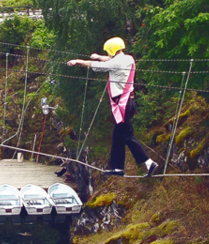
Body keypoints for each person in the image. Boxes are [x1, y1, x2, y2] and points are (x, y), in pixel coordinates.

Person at [66, 37, 159, 177]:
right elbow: (111, 60)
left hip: (122, 104)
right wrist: (99, 56)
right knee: (117, 136)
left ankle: (149, 162)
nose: (108, 55)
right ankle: (117, 168)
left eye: (108, 52)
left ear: (112, 51)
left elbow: (96, 65)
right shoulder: (128, 58)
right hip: (129, 102)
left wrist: (78, 61)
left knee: (128, 136)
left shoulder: (115, 64)